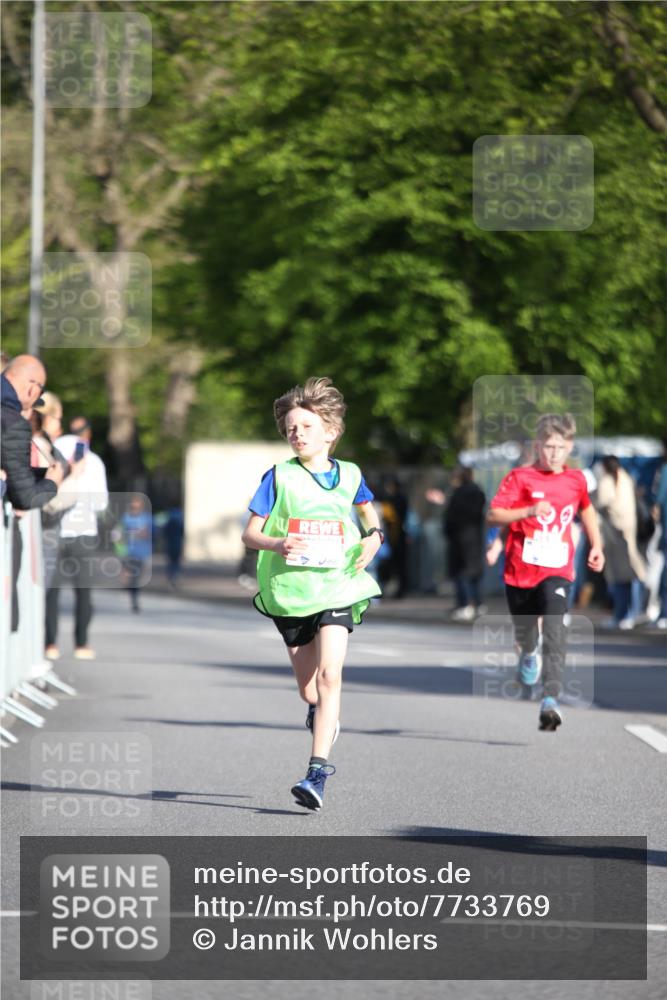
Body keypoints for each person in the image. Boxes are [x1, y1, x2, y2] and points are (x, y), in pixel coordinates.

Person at [241, 377, 382, 811]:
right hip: (292, 592)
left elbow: (368, 517)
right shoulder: (279, 477)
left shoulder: (352, 475)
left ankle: (316, 773)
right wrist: (278, 543)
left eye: (304, 426)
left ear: (330, 432)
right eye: (290, 429)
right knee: (311, 692)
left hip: (338, 584)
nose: (296, 433)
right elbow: (250, 534)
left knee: (331, 676)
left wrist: (374, 538)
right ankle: (321, 715)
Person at [488, 413, 604, 732]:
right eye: (548, 446)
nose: (553, 453)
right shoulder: (519, 478)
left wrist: (596, 545)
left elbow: (586, 509)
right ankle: (527, 653)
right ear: (538, 445)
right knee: (528, 637)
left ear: (569, 447)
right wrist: (528, 510)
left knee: (555, 628)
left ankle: (550, 698)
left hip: (557, 569)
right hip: (519, 571)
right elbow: (494, 514)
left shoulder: (576, 480)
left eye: (560, 447)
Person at [45, 420, 109, 659]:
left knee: (52, 590)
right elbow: (101, 503)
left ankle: (49, 643)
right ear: (88, 434)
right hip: (83, 532)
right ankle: (81, 644)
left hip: (52, 531)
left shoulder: (52, 451)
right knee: (83, 591)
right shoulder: (93, 461)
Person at [596, 456, 646, 629]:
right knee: (634, 575)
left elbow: (601, 502)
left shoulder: (607, 480)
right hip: (629, 531)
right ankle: (632, 613)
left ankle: (621, 614)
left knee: (619, 578)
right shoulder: (626, 477)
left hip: (614, 533)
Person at [443, 466, 486, 620]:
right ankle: (478, 604)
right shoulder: (478, 492)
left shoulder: (459, 493)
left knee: (461, 572)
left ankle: (465, 604)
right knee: (474, 573)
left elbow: (452, 517)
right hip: (475, 537)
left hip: (460, 539)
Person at [121, 494, 152, 612]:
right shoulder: (126, 518)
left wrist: (143, 533)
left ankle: (133, 594)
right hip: (130, 552)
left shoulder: (147, 518)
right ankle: (134, 601)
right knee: (133, 577)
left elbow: (150, 533)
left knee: (137, 577)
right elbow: (121, 533)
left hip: (142, 553)